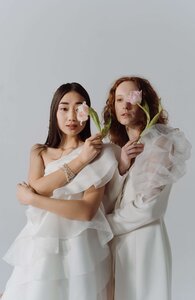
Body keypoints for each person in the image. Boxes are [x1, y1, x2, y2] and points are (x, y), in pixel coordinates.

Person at [1, 82, 118, 300]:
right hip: (43, 243)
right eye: (64, 108)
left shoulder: (98, 153)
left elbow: (86, 211)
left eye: (79, 108)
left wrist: (33, 199)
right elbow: (37, 188)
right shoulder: (40, 152)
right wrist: (78, 163)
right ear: (54, 112)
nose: (72, 116)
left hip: (82, 247)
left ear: (88, 113)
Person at [103, 76, 191, 300]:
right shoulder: (119, 150)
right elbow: (110, 201)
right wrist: (122, 166)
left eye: (132, 97)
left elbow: (150, 207)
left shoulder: (161, 143)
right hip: (118, 246)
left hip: (145, 243)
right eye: (119, 99)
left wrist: (105, 225)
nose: (125, 105)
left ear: (146, 103)